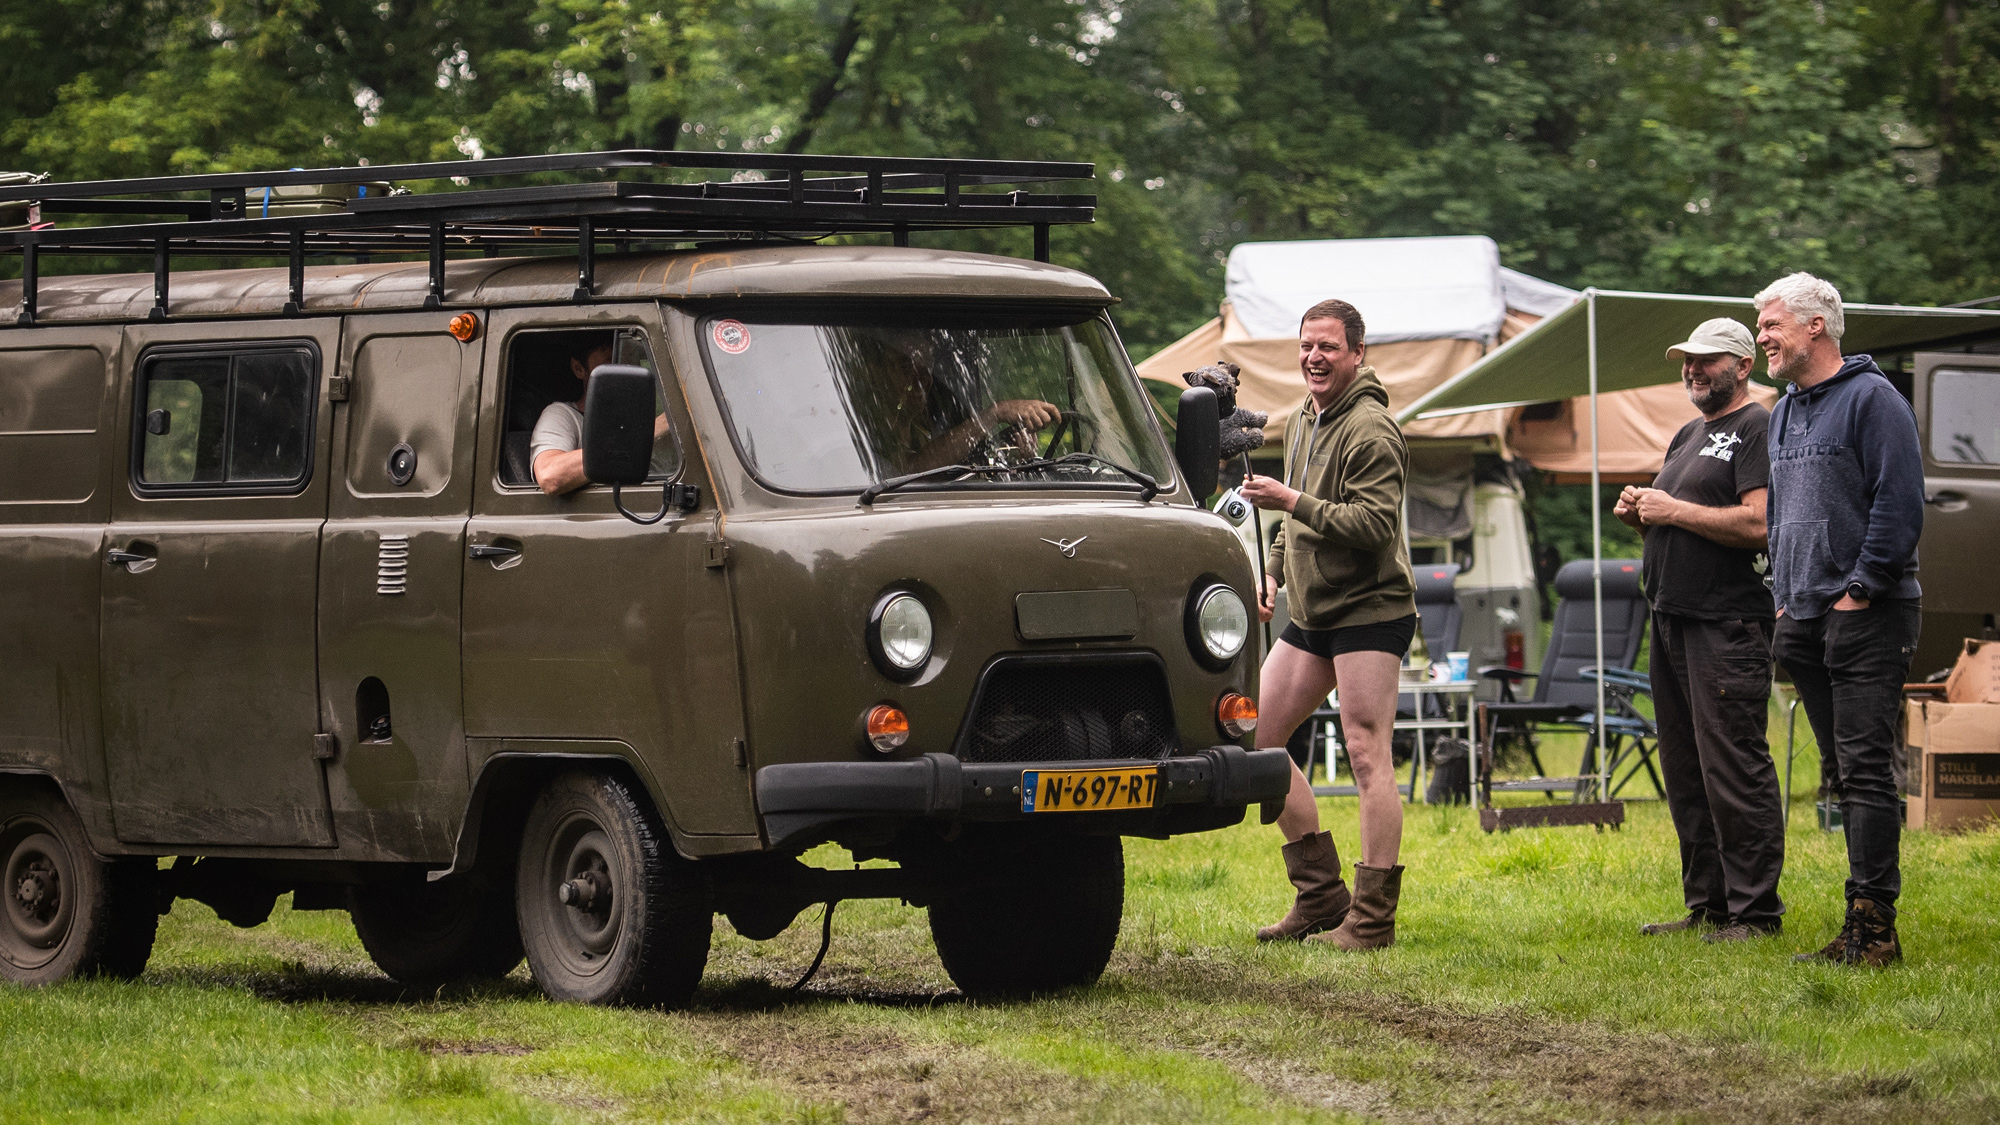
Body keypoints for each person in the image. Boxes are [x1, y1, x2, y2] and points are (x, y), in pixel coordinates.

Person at [1239, 298, 1418, 951]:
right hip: (1315, 609)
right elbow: (1291, 526)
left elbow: (1373, 527)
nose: (1314, 356)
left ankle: (1371, 920)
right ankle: (1321, 894)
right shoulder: (1302, 421)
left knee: (1367, 752)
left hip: (1371, 607)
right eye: (1307, 344)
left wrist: (1290, 499)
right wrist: (1273, 574)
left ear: (1357, 354)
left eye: (1329, 347)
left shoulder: (1372, 430)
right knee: (1256, 736)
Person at [1757, 272, 1924, 968]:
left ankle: (1874, 928)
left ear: (1815, 325)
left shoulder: (1872, 398)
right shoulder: (1783, 411)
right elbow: (1781, 513)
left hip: (1868, 611)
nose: (1761, 335)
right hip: (1801, 612)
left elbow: (1900, 502)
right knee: (1839, 770)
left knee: (1863, 770)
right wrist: (1784, 595)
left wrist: (1860, 588)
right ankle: (1859, 921)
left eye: (1770, 323)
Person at [1614, 318, 1784, 944]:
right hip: (1672, 617)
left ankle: (1756, 914)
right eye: (1686, 359)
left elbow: (1761, 526)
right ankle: (1708, 907)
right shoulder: (1689, 433)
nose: (1692, 369)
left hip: (1727, 622)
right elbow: (1685, 526)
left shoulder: (1758, 426)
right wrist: (1644, 518)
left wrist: (1672, 509)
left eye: (1707, 360)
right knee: (1686, 769)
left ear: (1742, 366)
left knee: (1733, 765)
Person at [531, 336, 674, 496]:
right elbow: (550, 477)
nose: (624, 372)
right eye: (611, 364)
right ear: (579, 368)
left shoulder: (632, 418)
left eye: (630, 364)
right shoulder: (562, 415)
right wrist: (647, 433)